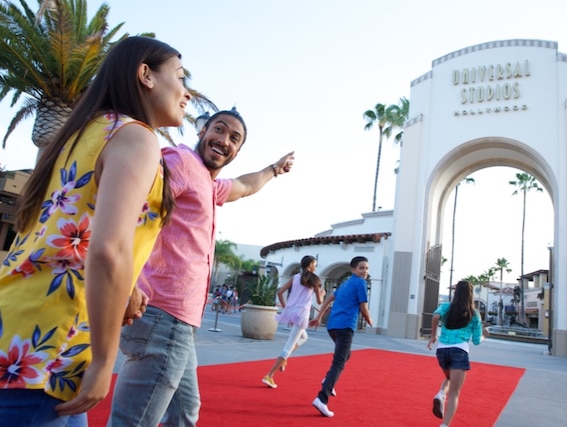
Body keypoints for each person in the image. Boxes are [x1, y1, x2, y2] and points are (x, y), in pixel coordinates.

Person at [0, 36, 191, 426]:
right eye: (180, 77)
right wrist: (106, 360)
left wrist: (128, 286)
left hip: (20, 328)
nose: (186, 93)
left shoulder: (80, 134)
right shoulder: (136, 136)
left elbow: (68, 230)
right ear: (146, 75)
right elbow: (109, 248)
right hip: (52, 346)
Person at [107, 109, 295, 426]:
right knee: (134, 421)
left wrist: (274, 169)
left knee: (184, 412)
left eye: (234, 138)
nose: (224, 140)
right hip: (162, 315)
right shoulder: (180, 162)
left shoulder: (208, 184)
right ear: (202, 130)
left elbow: (245, 186)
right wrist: (127, 280)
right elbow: (132, 210)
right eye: (219, 130)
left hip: (178, 323)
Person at [308, 256, 373, 417]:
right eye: (361, 268)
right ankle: (322, 398)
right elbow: (363, 308)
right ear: (353, 270)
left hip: (333, 326)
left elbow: (330, 297)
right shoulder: (360, 283)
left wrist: (320, 316)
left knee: (345, 355)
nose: (364, 271)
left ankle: (326, 380)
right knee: (339, 364)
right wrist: (370, 320)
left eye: (366, 268)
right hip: (345, 326)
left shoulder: (346, 283)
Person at [427, 280, 489, 427]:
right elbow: (476, 341)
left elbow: (435, 317)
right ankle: (445, 425)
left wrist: (433, 336)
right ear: (470, 295)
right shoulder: (474, 314)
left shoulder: (446, 307)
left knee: (449, 378)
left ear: (456, 293)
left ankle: (441, 394)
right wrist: (485, 335)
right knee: (455, 391)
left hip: (442, 350)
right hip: (459, 350)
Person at [262, 255, 325, 388]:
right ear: (311, 264)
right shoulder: (314, 280)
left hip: (292, 311)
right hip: (302, 313)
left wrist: (287, 309)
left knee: (303, 338)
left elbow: (280, 293)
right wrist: (323, 294)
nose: (316, 266)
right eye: (315, 264)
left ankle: (284, 359)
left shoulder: (295, 277)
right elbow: (319, 302)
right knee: (288, 346)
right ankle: (270, 375)